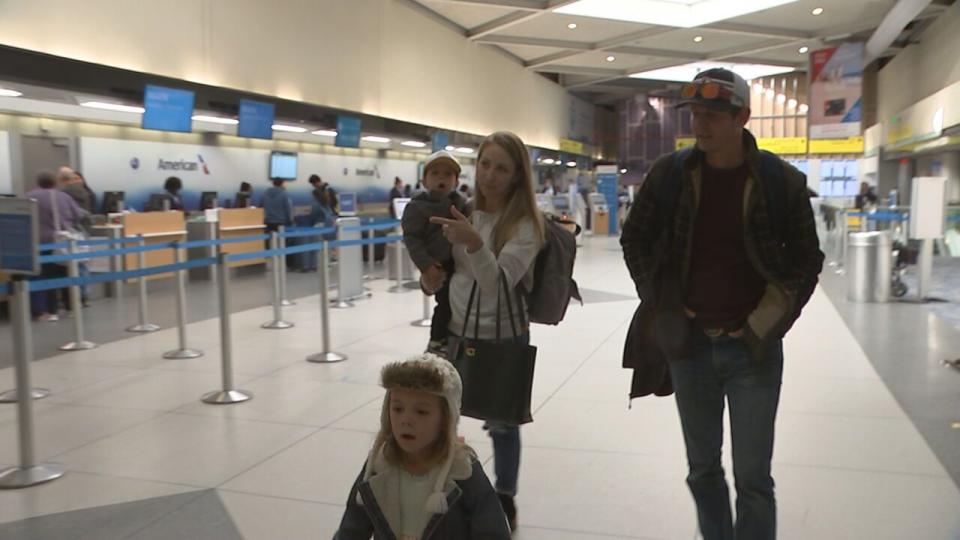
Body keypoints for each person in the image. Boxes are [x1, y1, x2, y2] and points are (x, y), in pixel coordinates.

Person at [620, 68, 824, 540]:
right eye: (695, 114)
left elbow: (807, 261)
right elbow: (636, 239)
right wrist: (661, 300)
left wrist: (766, 321)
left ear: (743, 118)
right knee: (702, 469)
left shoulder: (781, 182)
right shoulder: (671, 175)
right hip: (689, 349)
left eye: (713, 114)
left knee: (753, 480)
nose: (701, 124)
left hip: (752, 352)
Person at [424, 131, 545, 532]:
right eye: (486, 163)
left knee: (501, 424)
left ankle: (505, 496)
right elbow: (453, 274)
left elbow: (496, 282)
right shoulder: (465, 210)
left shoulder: (525, 224)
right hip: (455, 332)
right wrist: (429, 278)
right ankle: (447, 491)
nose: (490, 175)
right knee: (443, 418)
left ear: (516, 176)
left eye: (502, 168)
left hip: (502, 335)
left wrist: (476, 243)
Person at [335, 353, 511, 539]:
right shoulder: (378, 466)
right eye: (397, 409)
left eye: (421, 412)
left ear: (445, 419)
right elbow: (351, 529)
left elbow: (492, 532)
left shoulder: (462, 471)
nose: (406, 421)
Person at [401, 150, 469, 356]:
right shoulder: (416, 207)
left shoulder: (462, 204)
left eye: (448, 175)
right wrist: (426, 266)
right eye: (435, 173)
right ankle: (437, 340)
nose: (442, 178)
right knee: (445, 303)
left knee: (459, 303)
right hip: (438, 264)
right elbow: (412, 239)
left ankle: (454, 340)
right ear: (424, 180)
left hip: (461, 263)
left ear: (456, 181)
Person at [26, 170, 88, 321]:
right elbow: (78, 215)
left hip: (38, 243)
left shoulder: (29, 197)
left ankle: (46, 311)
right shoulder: (64, 197)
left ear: (39, 183)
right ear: (55, 182)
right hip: (61, 242)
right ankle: (70, 307)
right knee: (65, 274)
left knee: (42, 276)